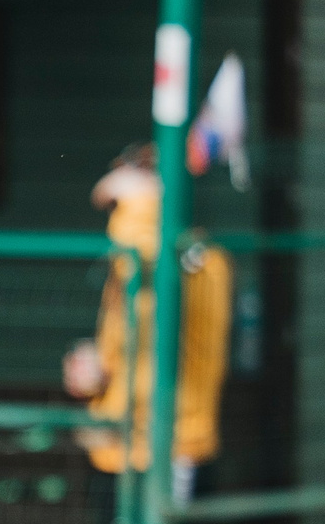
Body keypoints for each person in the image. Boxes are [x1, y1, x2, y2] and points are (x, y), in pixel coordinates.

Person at [63, 145, 232, 503]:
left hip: (168, 451)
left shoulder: (193, 263)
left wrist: (141, 201)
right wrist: (97, 369)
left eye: (120, 206)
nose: (114, 219)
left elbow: (146, 252)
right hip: (119, 448)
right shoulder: (132, 268)